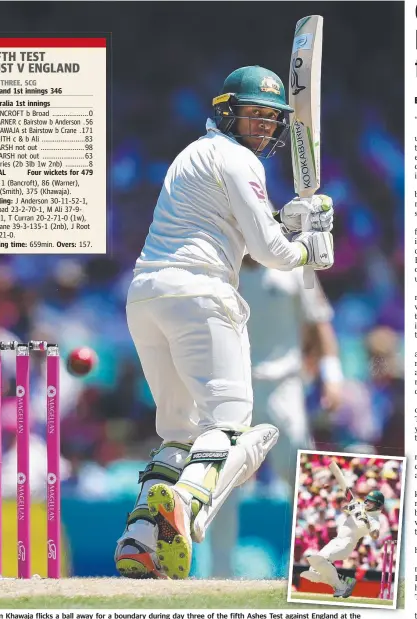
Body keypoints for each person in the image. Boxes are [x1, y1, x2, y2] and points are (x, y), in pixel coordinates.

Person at [114, 65, 335, 580]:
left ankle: (141, 541)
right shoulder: (239, 159)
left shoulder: (192, 154)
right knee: (234, 431)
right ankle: (187, 500)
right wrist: (312, 248)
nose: (261, 125)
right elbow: (270, 251)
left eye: (269, 118)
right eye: (252, 114)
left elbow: (240, 229)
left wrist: (293, 224)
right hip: (201, 295)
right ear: (226, 112)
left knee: (177, 433)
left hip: (146, 297)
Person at [208, 255, 343, 577]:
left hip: (284, 387)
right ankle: (220, 576)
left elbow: (318, 322)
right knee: (222, 485)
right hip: (231, 391)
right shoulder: (217, 271)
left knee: (304, 476)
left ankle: (328, 569)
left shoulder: (295, 268)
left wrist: (332, 375)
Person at [300, 490, 384, 598]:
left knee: (321, 561)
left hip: (346, 544)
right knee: (316, 566)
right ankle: (343, 582)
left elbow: (375, 535)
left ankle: (337, 583)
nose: (367, 503)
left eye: (371, 502)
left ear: (377, 505)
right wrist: (353, 508)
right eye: (367, 500)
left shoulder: (375, 520)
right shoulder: (361, 507)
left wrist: (366, 521)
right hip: (336, 540)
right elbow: (344, 508)